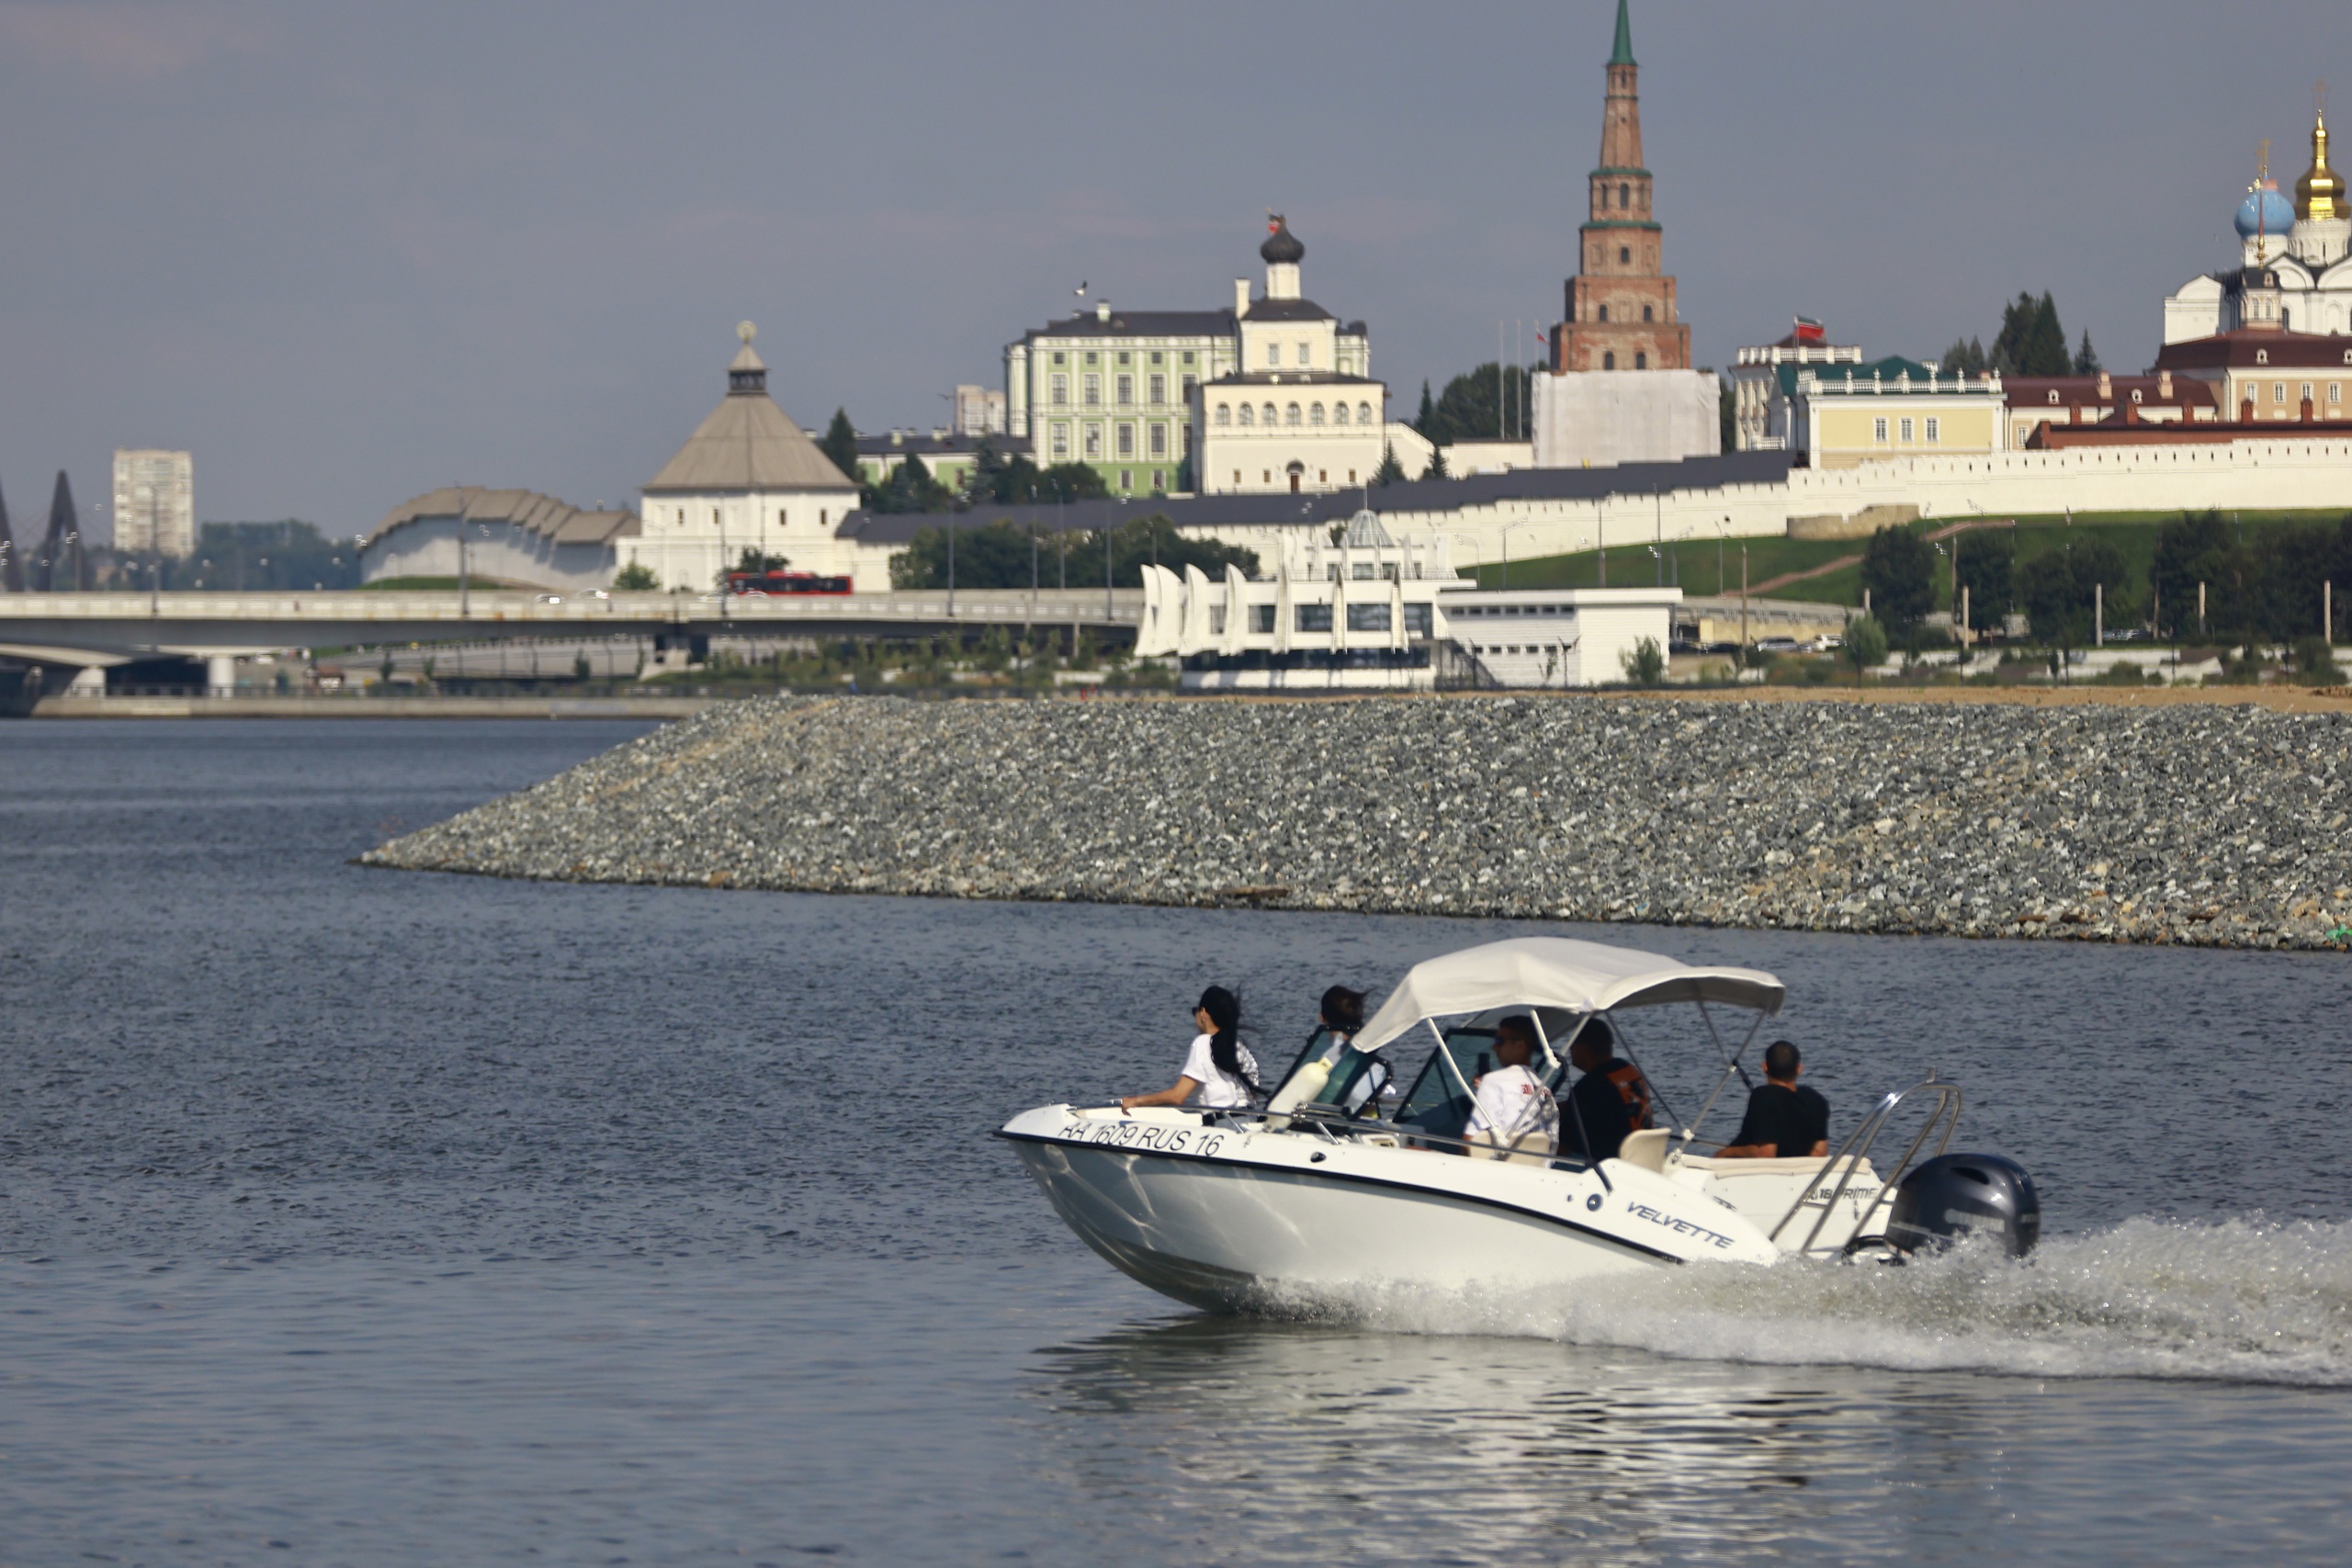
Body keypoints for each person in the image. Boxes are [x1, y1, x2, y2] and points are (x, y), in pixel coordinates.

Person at [1121, 987, 1260, 1112]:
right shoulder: (1241, 1049)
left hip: (1222, 1124)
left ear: (1203, 1013)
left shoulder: (1203, 1043)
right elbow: (1252, 1094)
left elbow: (1178, 1096)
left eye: (1196, 1012)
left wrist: (1136, 1101)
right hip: (1249, 1121)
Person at [1460, 1016, 1559, 1161]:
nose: (1494, 1047)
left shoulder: (1493, 1081)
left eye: (1500, 1041)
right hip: (1537, 1174)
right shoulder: (1546, 1091)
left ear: (1520, 1046)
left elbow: (1469, 1143)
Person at [1557, 1017, 1651, 1164]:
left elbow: (1568, 1138)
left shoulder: (1590, 1087)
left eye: (1573, 1043)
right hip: (1640, 1155)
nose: (1570, 1048)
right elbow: (1610, 1105)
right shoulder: (1628, 1070)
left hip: (1607, 1163)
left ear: (1585, 1047)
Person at [1717, 1040, 1830, 1159]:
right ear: (1799, 1069)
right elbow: (1819, 1153)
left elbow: (1765, 1153)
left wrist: (1726, 1152)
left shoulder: (1763, 1097)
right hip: (1800, 1173)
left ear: (1765, 1067)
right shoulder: (1817, 1100)